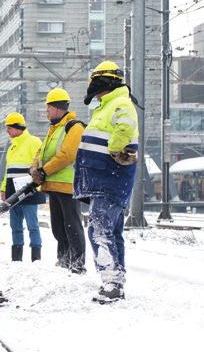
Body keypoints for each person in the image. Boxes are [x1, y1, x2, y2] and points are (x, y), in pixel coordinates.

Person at [75, 60, 139, 303]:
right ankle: (116, 281)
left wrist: (114, 149)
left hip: (110, 177)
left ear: (104, 81)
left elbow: (125, 127)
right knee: (111, 231)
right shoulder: (106, 106)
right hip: (104, 177)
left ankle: (111, 283)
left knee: (99, 229)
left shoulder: (120, 103)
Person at [31, 88, 87, 273]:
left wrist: (44, 170)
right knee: (58, 228)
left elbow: (66, 155)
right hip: (53, 184)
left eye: (48, 107)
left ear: (56, 107)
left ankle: (77, 264)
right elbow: (43, 152)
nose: (46, 111)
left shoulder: (74, 127)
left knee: (72, 226)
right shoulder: (54, 129)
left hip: (68, 185)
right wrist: (35, 167)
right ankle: (64, 260)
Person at [0, 112, 45, 262]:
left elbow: (39, 165)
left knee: (32, 224)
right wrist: (3, 188)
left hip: (29, 190)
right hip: (13, 191)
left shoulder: (34, 142)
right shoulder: (12, 146)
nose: (7, 131)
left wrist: (37, 186)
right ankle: (17, 258)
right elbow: (9, 170)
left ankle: (36, 258)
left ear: (18, 128)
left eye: (9, 128)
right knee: (15, 225)